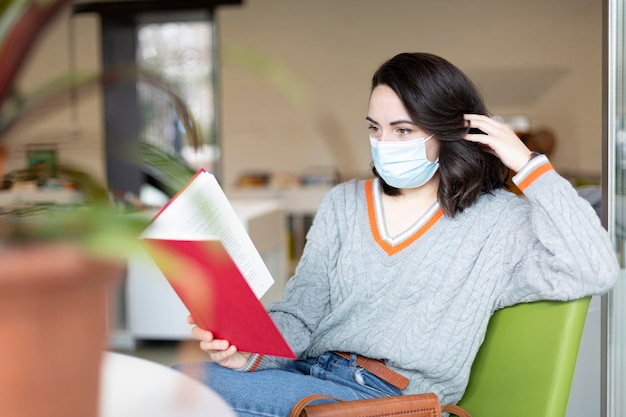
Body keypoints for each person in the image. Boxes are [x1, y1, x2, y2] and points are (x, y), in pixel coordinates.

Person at [174, 52, 619, 417]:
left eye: (403, 130)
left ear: (451, 133)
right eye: (375, 128)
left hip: (396, 403)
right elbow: (302, 314)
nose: (384, 143)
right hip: (310, 378)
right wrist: (247, 352)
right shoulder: (343, 203)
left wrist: (528, 165)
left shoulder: (499, 223)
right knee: (180, 379)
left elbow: (595, 268)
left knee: (176, 395)